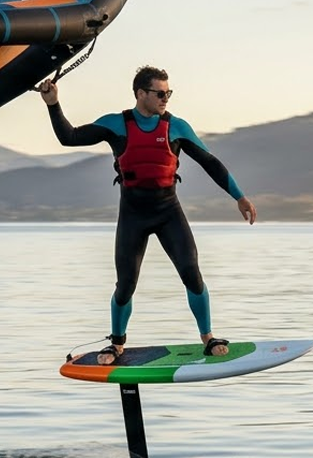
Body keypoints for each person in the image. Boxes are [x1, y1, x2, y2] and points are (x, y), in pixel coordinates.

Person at [40, 66, 257, 366]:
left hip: (168, 211)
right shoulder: (117, 125)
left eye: (168, 93)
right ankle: (117, 344)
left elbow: (211, 163)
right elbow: (70, 137)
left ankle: (208, 338)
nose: (165, 98)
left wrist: (239, 196)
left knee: (191, 273)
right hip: (133, 215)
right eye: (160, 93)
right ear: (141, 94)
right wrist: (53, 104)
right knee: (125, 283)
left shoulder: (177, 127)